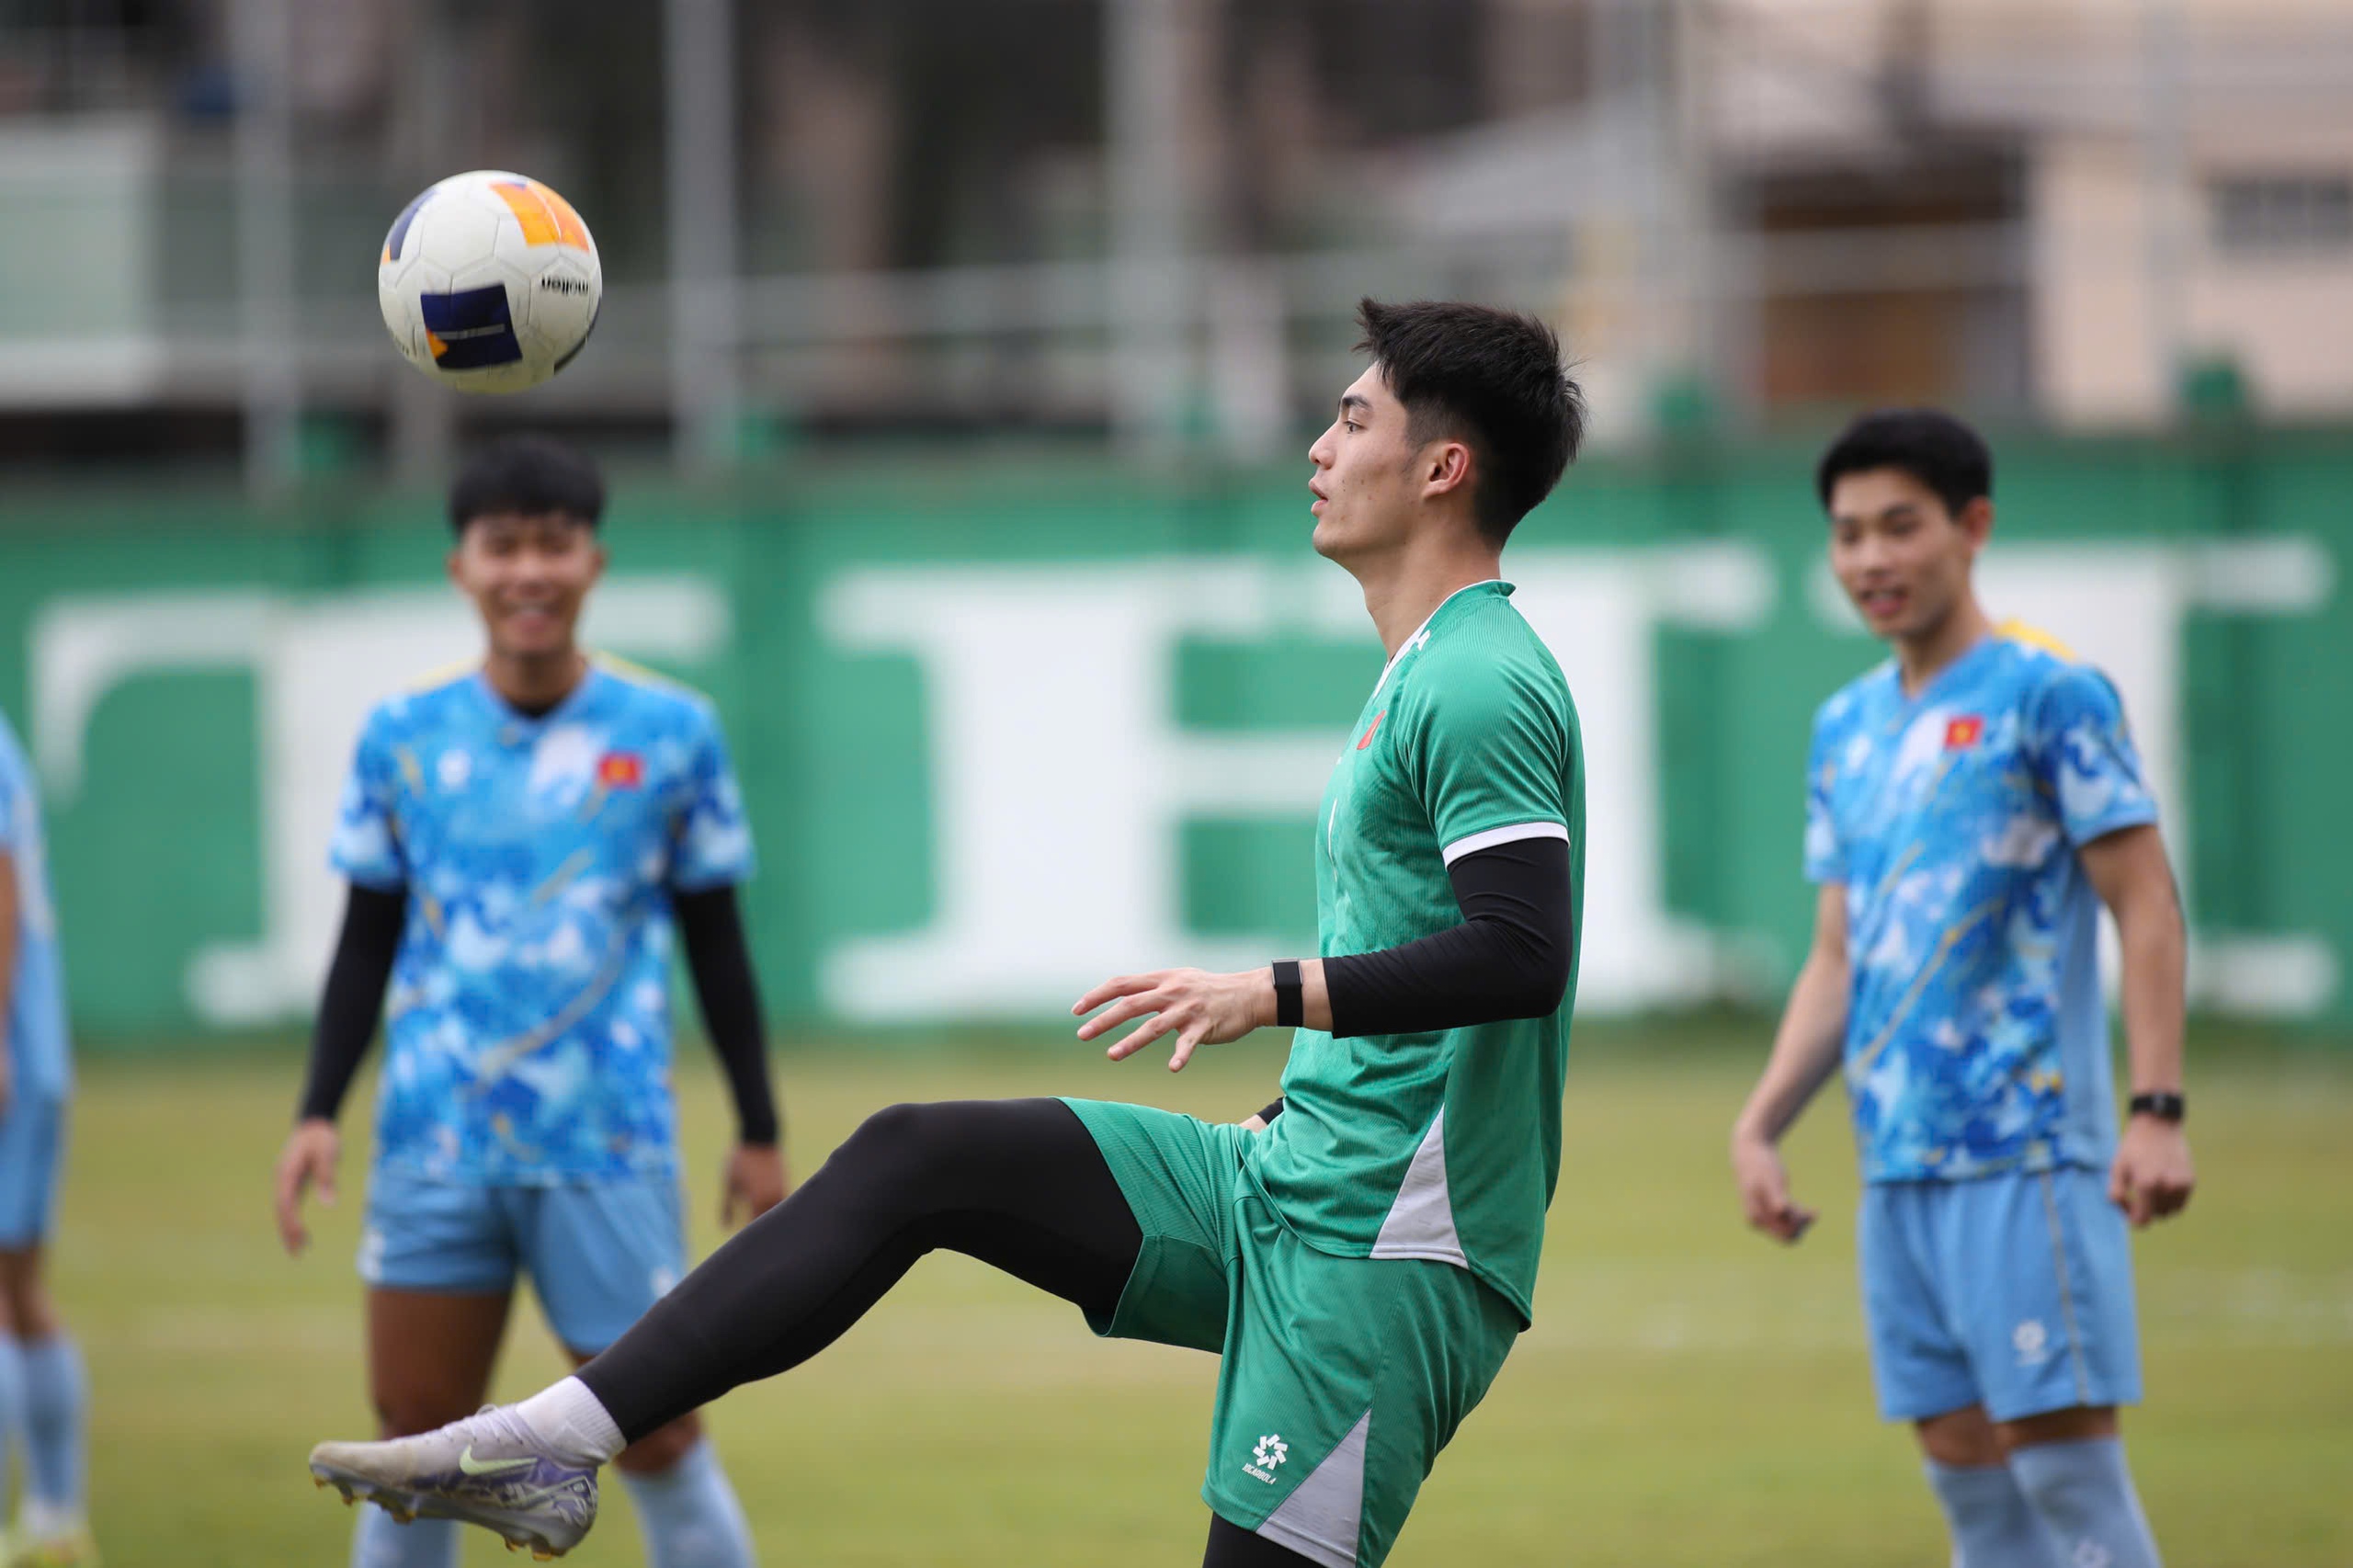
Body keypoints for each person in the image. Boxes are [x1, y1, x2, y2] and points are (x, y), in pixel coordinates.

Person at [300, 297, 1588, 1568]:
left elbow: (1522, 953)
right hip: (1287, 1185)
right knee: (921, 1155)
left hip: (1384, 1258)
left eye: (1352, 416)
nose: (1318, 443)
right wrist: (1298, 1088)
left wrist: (1269, 990)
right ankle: (557, 1440)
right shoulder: (1425, 664)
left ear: (1441, 467)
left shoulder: (1478, 676)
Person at [273, 437, 785, 1568]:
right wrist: (318, 1107)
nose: (529, 572)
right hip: (435, 1141)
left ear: (593, 560)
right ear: (460, 566)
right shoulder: (401, 736)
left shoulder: (672, 733)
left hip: (606, 1141)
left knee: (656, 1433)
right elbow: (364, 942)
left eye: (553, 544)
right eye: (502, 546)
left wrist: (757, 1125)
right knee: (414, 1446)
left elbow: (718, 943)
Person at [1729, 409, 2195, 1568]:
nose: (1870, 559)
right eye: (1846, 535)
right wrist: (1761, 1120)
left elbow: (2145, 902)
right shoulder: (1843, 728)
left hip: (2028, 1151)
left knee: (2064, 1475)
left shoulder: (2052, 696)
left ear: (1970, 526)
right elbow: (1839, 955)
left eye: (1899, 526)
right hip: (1896, 1167)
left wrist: (2157, 1107)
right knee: (1973, 1493)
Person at [0, 709, 95, 1567]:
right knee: (21, 1293)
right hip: (34, 1056)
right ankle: (57, 1515)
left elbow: (0, 887)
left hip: (10, 1054)